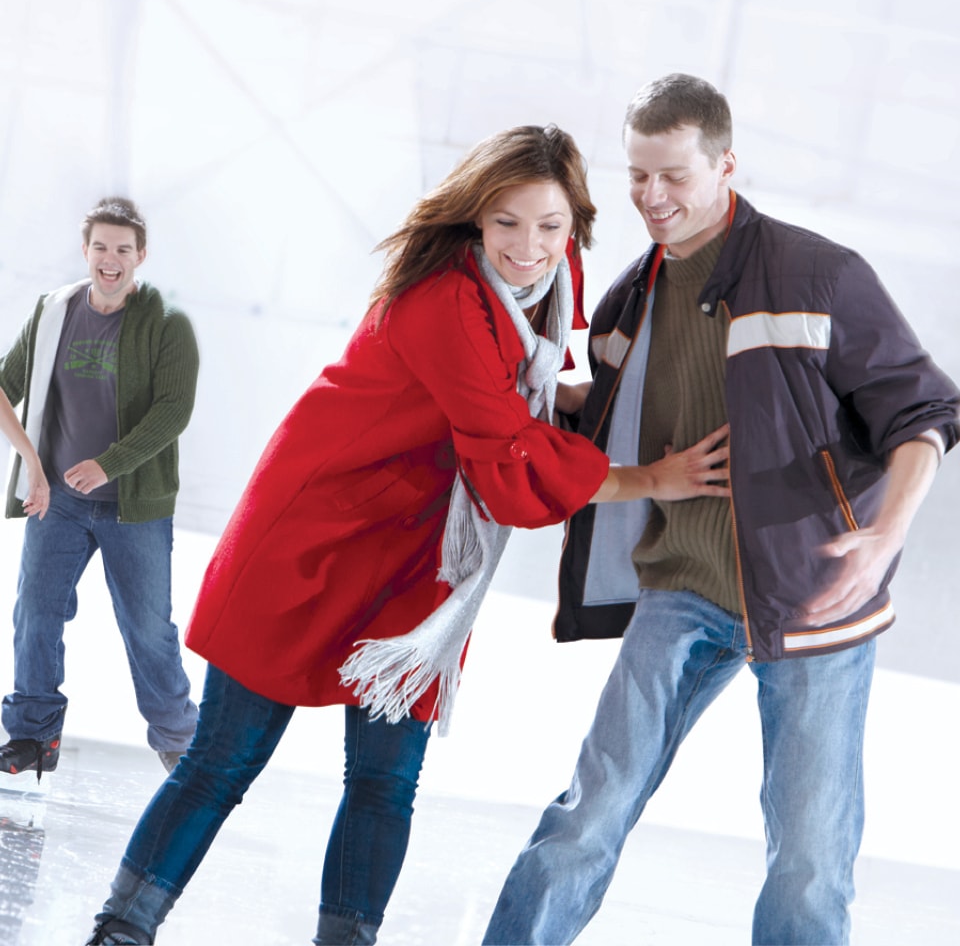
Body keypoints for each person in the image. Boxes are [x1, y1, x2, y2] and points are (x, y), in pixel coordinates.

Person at [83, 124, 731, 946]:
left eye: (550, 225)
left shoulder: (543, 280)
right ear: (471, 221)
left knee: (387, 784)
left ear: (575, 225)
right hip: (317, 536)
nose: (528, 247)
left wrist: (563, 399)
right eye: (505, 224)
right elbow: (507, 449)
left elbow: (513, 387)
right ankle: (121, 930)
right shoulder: (443, 298)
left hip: (419, 560)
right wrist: (648, 479)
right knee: (221, 762)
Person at [482, 74, 960, 946]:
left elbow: (924, 412)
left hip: (814, 601)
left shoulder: (820, 274)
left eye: (673, 176)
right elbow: (618, 403)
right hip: (685, 585)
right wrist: (527, 389)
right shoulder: (631, 296)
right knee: (592, 810)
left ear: (725, 164)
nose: (651, 198)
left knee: (810, 859)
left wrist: (884, 536)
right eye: (637, 175)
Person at [0, 197, 200, 782]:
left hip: (132, 508)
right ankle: (34, 737)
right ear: (85, 250)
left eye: (122, 249)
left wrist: (109, 465)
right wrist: (33, 466)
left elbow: (173, 412)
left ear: (141, 255)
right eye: (100, 247)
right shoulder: (54, 311)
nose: (110, 260)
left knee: (147, 628)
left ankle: (178, 740)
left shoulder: (168, 325)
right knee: (35, 613)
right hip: (56, 502)